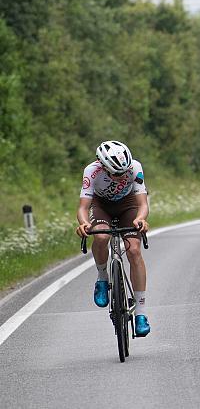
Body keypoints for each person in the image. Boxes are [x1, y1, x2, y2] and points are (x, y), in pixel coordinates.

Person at [76, 141, 151, 337]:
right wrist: (84, 223)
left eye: (124, 172)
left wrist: (141, 219)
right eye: (116, 173)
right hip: (101, 206)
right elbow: (83, 207)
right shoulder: (91, 171)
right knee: (100, 235)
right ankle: (102, 278)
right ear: (102, 166)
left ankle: (141, 314)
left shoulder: (135, 167)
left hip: (128, 205)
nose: (122, 176)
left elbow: (143, 203)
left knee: (134, 250)